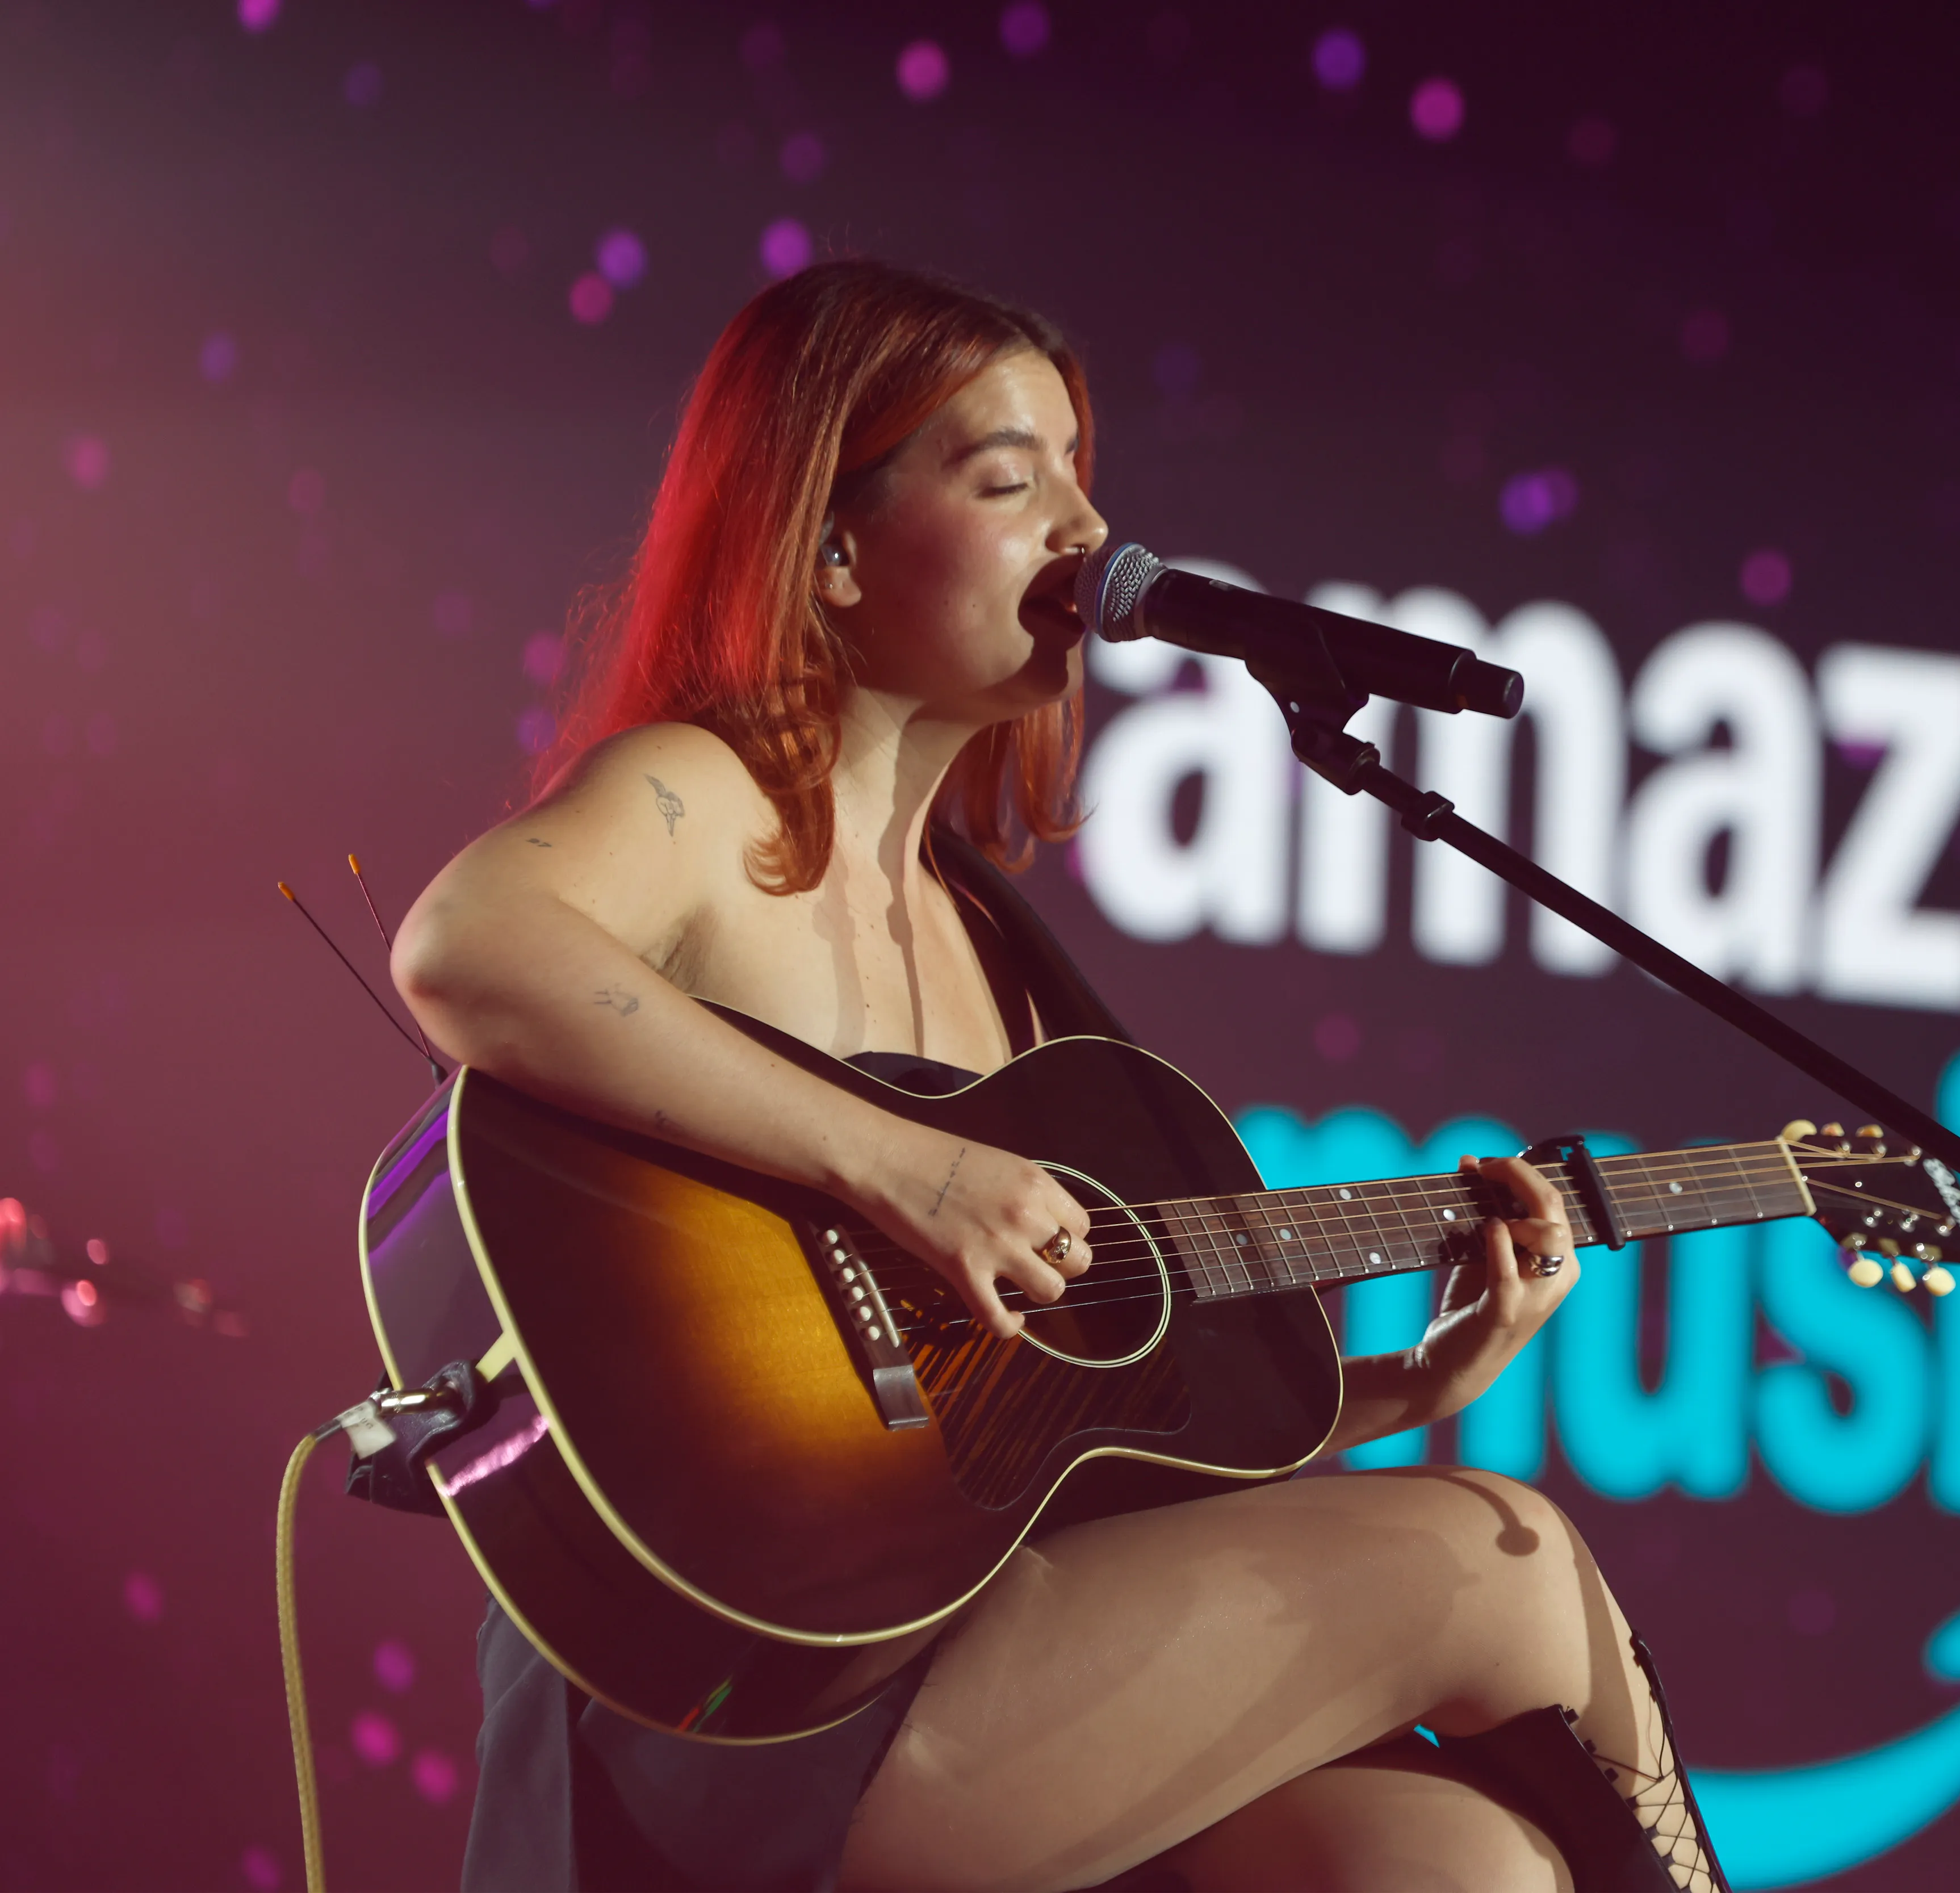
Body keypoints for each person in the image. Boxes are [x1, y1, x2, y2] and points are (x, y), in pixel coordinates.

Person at [393, 259, 1728, 1893]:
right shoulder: (709, 802)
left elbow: (1057, 1450)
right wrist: (906, 1166)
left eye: (1083, 478)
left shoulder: (999, 954)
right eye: (1010, 481)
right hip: (752, 1702)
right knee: (1502, 1558)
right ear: (830, 546)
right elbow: (468, 942)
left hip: (980, 1648)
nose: (1088, 534)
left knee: (1453, 1862)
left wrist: (1401, 1390)